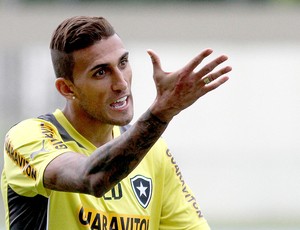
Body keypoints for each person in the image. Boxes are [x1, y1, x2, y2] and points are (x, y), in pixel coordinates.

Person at [1, 16, 232, 230]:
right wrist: (160, 113)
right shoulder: (28, 137)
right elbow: (92, 178)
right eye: (101, 73)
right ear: (67, 88)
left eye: (123, 63)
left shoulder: (152, 150)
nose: (121, 83)